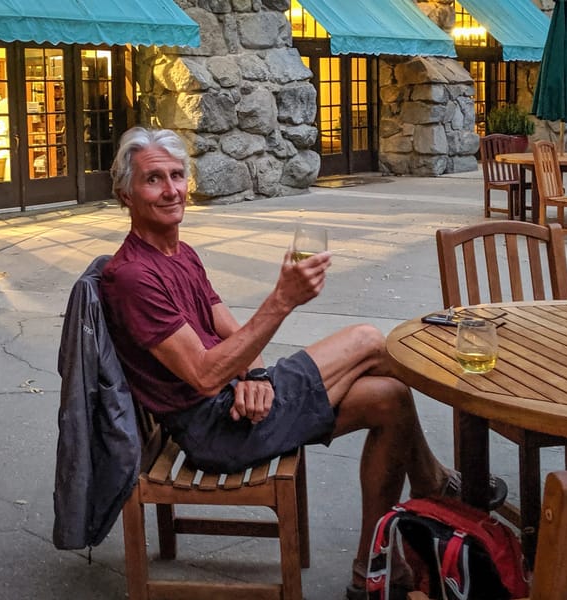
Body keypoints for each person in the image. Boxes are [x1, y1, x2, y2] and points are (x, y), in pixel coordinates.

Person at [100, 126, 507, 599]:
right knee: (369, 340)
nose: (171, 190)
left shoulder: (180, 253)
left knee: (390, 399)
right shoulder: (132, 277)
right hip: (216, 429)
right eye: (154, 179)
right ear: (125, 194)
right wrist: (282, 300)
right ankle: (437, 480)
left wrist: (253, 373)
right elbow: (206, 374)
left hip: (235, 401)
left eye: (177, 175)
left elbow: (228, 333)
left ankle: (373, 568)